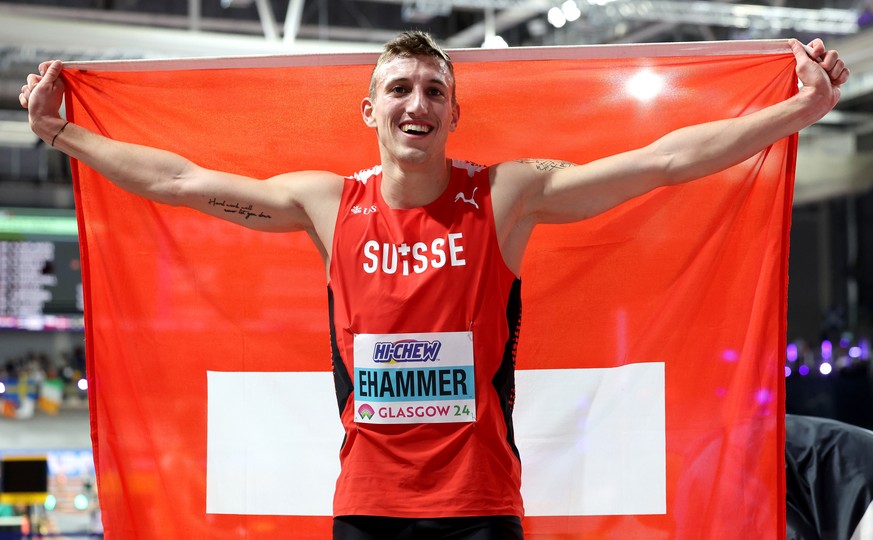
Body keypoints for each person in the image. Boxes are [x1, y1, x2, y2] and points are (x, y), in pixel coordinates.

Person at [19, 31, 849, 540]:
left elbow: (660, 161)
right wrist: (63, 132)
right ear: (369, 111)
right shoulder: (323, 203)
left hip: (479, 509)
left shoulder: (504, 196)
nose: (417, 103)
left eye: (434, 92)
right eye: (400, 90)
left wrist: (795, 114)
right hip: (367, 509)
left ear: (453, 115)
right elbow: (179, 180)